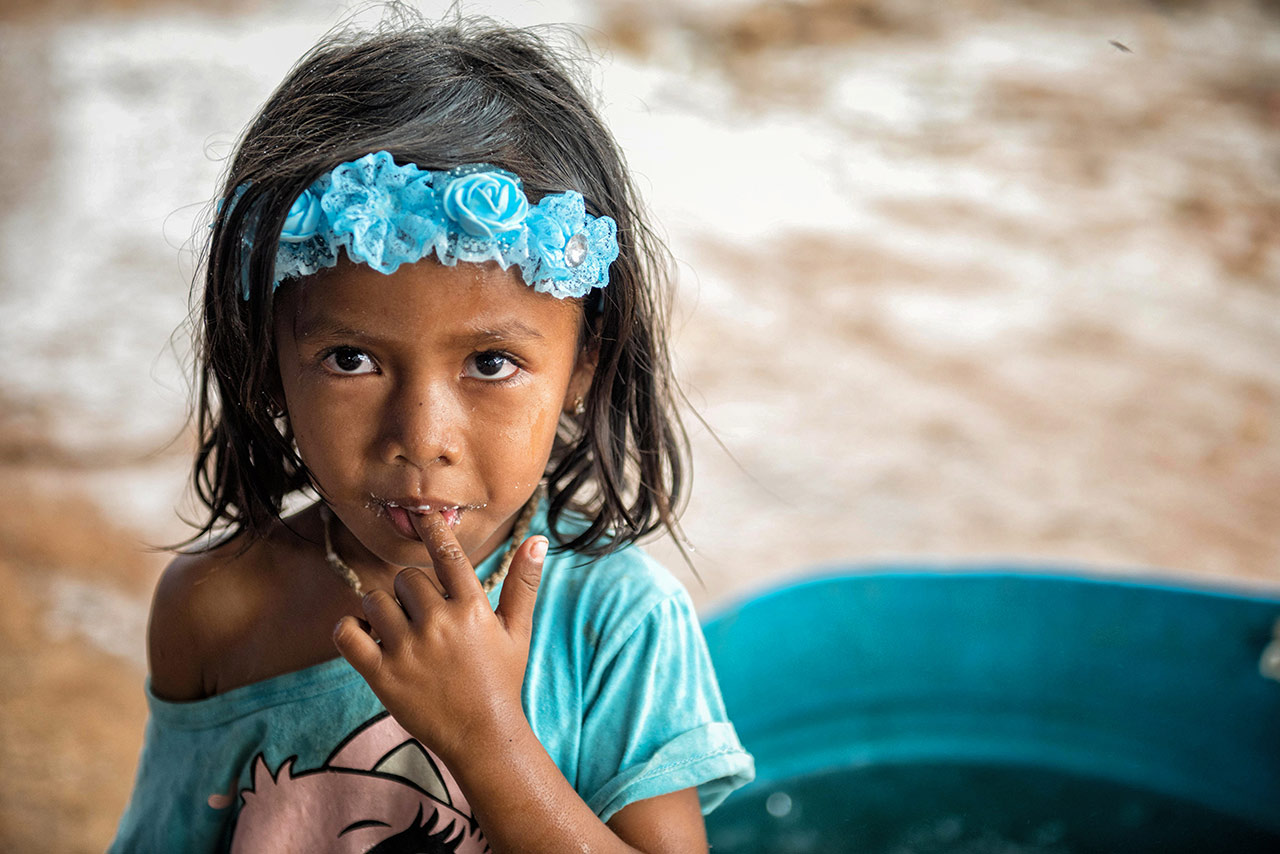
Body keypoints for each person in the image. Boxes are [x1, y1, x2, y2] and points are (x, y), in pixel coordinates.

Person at [109, 14, 754, 854]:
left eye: (489, 363)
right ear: (268, 358)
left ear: (584, 366)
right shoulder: (218, 610)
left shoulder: (618, 625)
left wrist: (492, 741)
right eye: (349, 357)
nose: (421, 438)